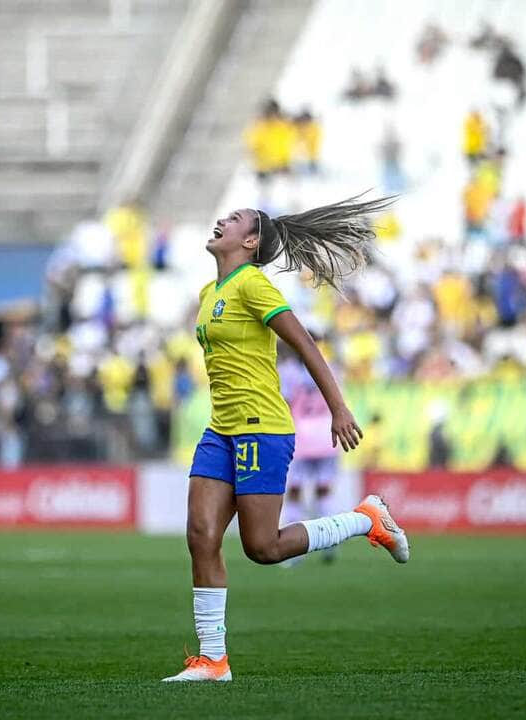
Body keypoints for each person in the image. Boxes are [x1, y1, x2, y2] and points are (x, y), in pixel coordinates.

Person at [162, 195, 410, 683]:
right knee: (200, 536)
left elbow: (303, 343)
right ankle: (213, 661)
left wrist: (339, 407)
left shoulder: (253, 284)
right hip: (221, 429)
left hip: (262, 427)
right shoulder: (209, 291)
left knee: (263, 547)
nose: (222, 221)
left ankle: (365, 519)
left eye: (233, 220)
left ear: (250, 241)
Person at [279, 354, 343, 565]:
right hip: (326, 435)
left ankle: (293, 550)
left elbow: (285, 404)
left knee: (295, 491)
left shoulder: (288, 370)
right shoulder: (328, 366)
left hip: (301, 436)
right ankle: (331, 541)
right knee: (324, 489)